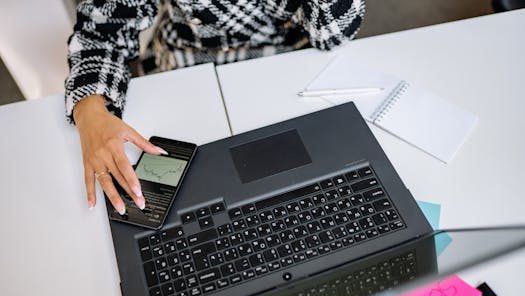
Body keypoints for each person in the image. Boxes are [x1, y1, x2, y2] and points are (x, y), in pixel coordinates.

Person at [66, 0, 366, 214]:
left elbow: (333, 34)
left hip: (284, 70)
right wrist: (90, 110)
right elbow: (103, 29)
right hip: (184, 67)